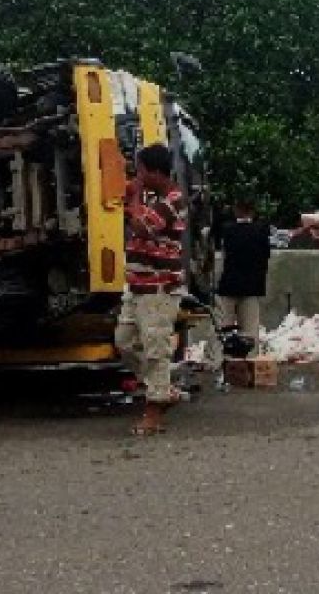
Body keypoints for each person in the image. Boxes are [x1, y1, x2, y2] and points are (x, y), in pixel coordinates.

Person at [116, 144, 188, 436]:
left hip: (159, 288)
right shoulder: (150, 196)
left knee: (156, 350)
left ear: (155, 171)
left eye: (142, 170)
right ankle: (162, 389)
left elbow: (144, 227)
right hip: (137, 286)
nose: (139, 175)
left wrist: (132, 197)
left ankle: (154, 413)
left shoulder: (173, 200)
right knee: (124, 343)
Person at [216, 198, 271, 355]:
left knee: (223, 327)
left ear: (236, 210)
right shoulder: (261, 231)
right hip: (253, 286)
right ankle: (250, 361)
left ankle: (221, 360)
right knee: (250, 329)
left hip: (229, 284)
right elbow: (266, 255)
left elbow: (224, 253)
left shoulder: (227, 230)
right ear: (253, 211)